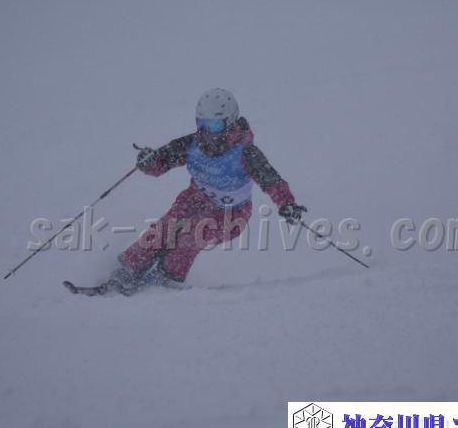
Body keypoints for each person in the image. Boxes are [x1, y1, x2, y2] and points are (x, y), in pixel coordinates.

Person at [104, 88, 306, 294]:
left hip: (231, 214)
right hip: (195, 199)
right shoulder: (192, 144)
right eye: (202, 124)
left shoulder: (246, 152)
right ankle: (129, 269)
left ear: (229, 122)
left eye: (215, 125)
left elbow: (271, 180)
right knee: (165, 227)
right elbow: (161, 162)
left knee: (192, 234)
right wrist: (149, 161)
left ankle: (167, 278)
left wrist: (287, 203)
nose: (208, 131)